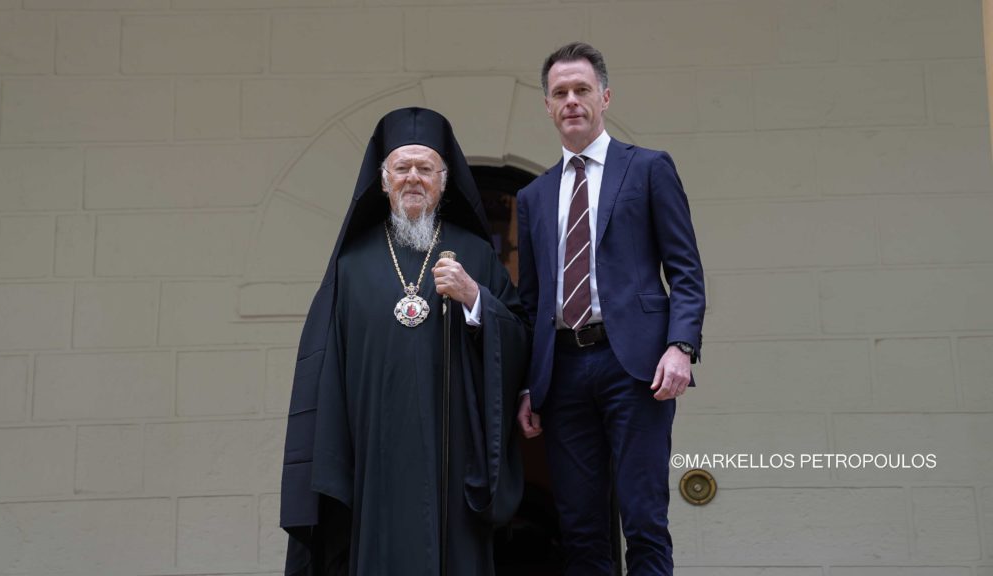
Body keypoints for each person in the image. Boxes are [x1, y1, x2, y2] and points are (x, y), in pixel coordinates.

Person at [281, 107, 528, 576]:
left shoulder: (475, 253)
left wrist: (476, 298)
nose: (413, 178)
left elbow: (518, 337)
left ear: (444, 179)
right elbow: (325, 369)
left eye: (425, 168)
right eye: (402, 167)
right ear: (382, 180)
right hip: (372, 459)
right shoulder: (351, 265)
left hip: (454, 460)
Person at [515, 42, 706, 575]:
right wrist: (530, 384)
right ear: (547, 106)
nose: (571, 100)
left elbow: (685, 271)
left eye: (581, 90)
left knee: (644, 520)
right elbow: (532, 303)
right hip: (564, 376)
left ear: (604, 96)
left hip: (637, 369)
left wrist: (680, 345)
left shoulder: (647, 169)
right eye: (560, 93)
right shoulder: (532, 198)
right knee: (580, 528)